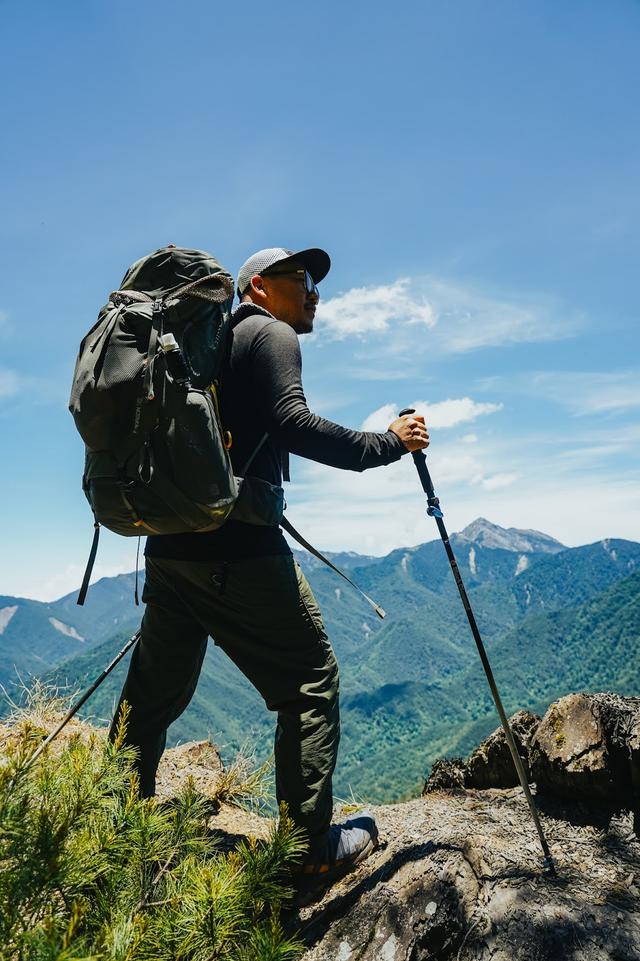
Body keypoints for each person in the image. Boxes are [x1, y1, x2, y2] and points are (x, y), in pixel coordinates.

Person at [110, 246, 429, 902]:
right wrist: (389, 442)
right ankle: (308, 847)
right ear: (260, 284)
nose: (315, 292)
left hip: (171, 548)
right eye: (303, 279)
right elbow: (294, 423)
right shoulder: (270, 331)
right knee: (311, 681)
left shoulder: (205, 346)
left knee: (152, 695)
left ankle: (112, 819)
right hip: (239, 548)